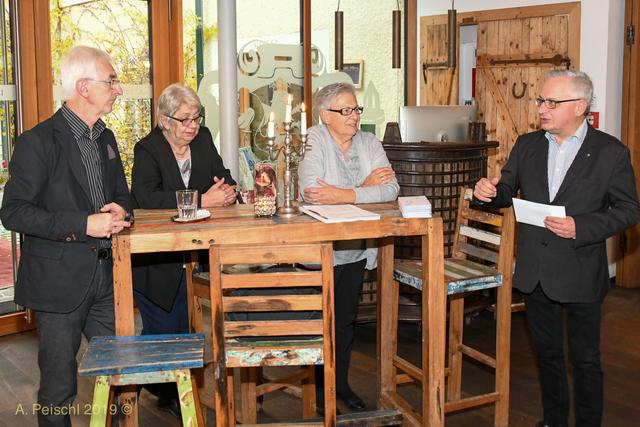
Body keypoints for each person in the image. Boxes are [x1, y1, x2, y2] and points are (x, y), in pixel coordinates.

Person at [473, 70, 640, 427]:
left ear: (580, 106)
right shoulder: (527, 144)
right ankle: (554, 420)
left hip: (580, 271)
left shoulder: (611, 152)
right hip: (535, 270)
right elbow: (506, 191)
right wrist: (487, 193)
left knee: (585, 359)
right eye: (541, 100)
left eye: (551, 102)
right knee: (546, 355)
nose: (542, 109)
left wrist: (582, 226)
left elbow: (628, 210)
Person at [0, 45, 132, 427]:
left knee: (121, 376)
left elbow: (123, 196)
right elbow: (13, 212)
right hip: (58, 283)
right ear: (84, 87)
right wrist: (83, 224)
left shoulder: (106, 138)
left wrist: (122, 210)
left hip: (107, 276)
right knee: (59, 390)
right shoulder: (38, 141)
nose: (119, 89)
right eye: (111, 81)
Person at [130, 83, 236, 415]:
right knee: (165, 330)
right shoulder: (147, 149)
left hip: (197, 251)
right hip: (157, 257)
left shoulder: (202, 139)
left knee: (184, 331)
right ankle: (153, 388)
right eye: (185, 119)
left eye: (197, 117)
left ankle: (168, 388)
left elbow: (222, 175)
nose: (193, 125)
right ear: (164, 120)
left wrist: (229, 190)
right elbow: (147, 199)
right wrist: (202, 200)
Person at [298, 82, 399, 413]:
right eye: (346, 110)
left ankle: (339, 384)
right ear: (325, 115)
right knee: (319, 322)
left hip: (354, 248)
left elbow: (391, 189)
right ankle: (318, 391)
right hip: (319, 251)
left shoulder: (369, 142)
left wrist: (345, 194)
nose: (354, 115)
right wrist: (364, 187)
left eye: (356, 109)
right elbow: (312, 192)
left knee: (344, 321)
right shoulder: (313, 139)